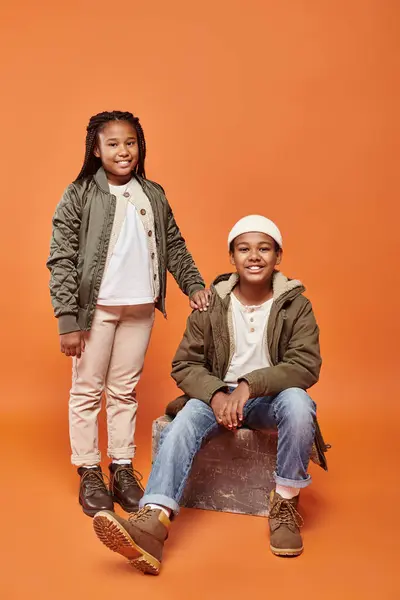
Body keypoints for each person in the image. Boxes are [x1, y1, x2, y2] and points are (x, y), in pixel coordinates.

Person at [92, 215, 330, 574]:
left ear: (278, 256)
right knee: (186, 417)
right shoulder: (211, 303)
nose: (254, 256)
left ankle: (284, 505)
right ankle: (153, 522)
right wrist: (218, 394)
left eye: (264, 248)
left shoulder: (296, 305)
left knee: (299, 403)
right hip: (216, 396)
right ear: (232, 257)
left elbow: (305, 365)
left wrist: (249, 385)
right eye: (244, 249)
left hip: (268, 399)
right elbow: (185, 365)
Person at [47, 110, 210, 517]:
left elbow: (173, 243)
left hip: (140, 308)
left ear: (140, 147)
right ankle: (88, 469)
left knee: (123, 391)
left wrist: (192, 283)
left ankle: (121, 467)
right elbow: (62, 258)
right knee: (87, 390)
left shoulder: (152, 192)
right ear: (96, 149)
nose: (124, 151)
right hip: (94, 310)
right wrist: (68, 319)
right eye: (114, 143)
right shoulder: (80, 193)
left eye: (131, 142)